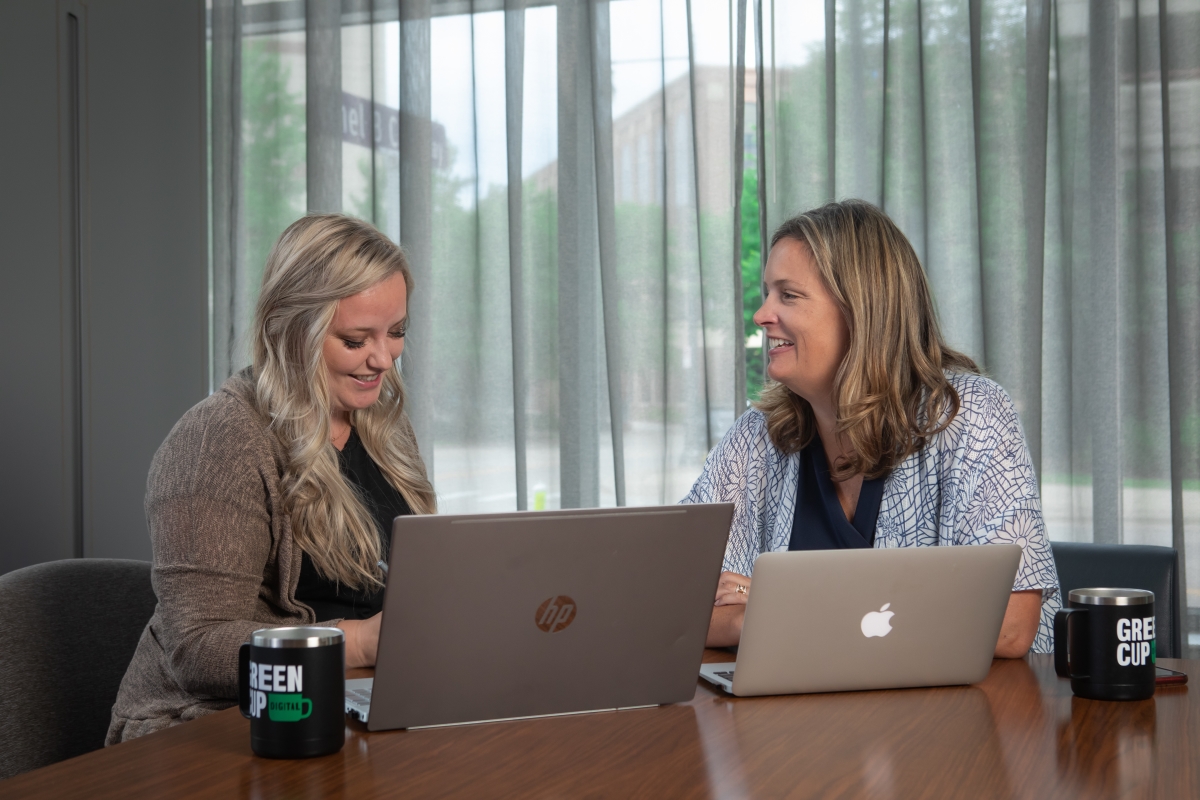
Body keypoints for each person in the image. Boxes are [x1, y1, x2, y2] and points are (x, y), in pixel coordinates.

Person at [107, 214, 435, 743]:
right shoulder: (217, 442)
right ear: (292, 330)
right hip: (211, 725)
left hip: (350, 702)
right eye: (355, 340)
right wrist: (363, 643)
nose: (383, 359)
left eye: (396, 333)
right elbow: (198, 646)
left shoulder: (383, 429)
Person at [684, 200, 1059, 656]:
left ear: (861, 310)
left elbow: (1008, 625)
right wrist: (752, 618)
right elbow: (674, 605)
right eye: (767, 293)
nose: (762, 315)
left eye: (788, 294)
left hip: (961, 719)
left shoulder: (969, 416)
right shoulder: (756, 439)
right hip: (791, 721)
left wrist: (773, 606)